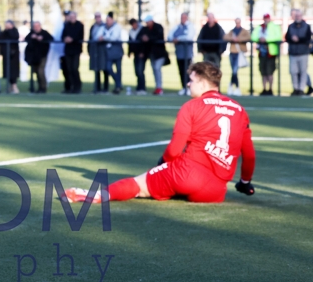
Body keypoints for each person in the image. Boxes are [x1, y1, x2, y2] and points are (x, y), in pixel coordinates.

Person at [65, 62, 255, 204]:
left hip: (187, 174)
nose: (188, 84)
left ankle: (95, 196)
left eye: (191, 81)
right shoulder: (240, 110)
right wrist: (245, 182)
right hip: (216, 190)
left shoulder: (192, 106)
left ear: (203, 84)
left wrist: (163, 163)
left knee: (138, 185)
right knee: (178, 184)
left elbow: (174, 150)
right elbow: (249, 156)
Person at [140, 15, 167, 95]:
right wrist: (143, 38)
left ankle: (159, 87)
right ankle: (157, 87)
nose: (147, 23)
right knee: (154, 70)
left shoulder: (158, 27)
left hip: (159, 53)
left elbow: (159, 37)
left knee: (157, 68)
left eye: (148, 22)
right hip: (151, 54)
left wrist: (149, 38)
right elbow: (141, 36)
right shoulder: (145, 29)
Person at [286, 9, 311, 97]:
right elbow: (287, 37)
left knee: (303, 71)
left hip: (303, 52)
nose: (297, 17)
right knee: (293, 71)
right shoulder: (291, 26)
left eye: (299, 16)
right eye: (296, 16)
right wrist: (292, 39)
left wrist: (298, 39)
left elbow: (308, 38)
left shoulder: (306, 26)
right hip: (293, 52)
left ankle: (301, 89)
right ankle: (295, 88)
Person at [256, 14, 282, 95]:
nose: (266, 20)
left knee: (269, 72)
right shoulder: (260, 27)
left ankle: (270, 89)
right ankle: (264, 89)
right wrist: (259, 39)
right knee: (263, 72)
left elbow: (278, 37)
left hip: (271, 53)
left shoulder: (275, 27)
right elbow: (253, 36)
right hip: (262, 53)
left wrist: (266, 39)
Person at [170, 12, 195, 95]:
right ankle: (184, 87)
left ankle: (189, 88)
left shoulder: (190, 26)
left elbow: (189, 37)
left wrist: (179, 39)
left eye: (184, 17)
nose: (182, 19)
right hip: (179, 53)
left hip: (187, 54)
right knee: (181, 71)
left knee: (188, 71)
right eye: (181, 17)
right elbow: (169, 36)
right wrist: (174, 39)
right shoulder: (177, 26)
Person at [24, 21, 53, 93]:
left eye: (37, 26)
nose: (36, 28)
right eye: (34, 26)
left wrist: (42, 38)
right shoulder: (31, 33)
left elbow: (51, 39)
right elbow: (26, 39)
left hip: (42, 55)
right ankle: (40, 87)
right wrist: (32, 37)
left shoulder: (44, 33)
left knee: (41, 71)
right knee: (36, 71)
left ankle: (43, 87)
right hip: (34, 57)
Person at [224, 18, 250, 96]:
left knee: (235, 71)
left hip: (239, 52)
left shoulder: (244, 31)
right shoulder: (232, 31)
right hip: (232, 52)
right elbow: (225, 37)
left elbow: (248, 37)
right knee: (233, 71)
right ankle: (234, 87)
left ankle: (234, 86)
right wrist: (232, 38)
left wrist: (239, 39)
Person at [62, 11, 84, 93]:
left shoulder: (80, 25)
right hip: (68, 50)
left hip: (76, 50)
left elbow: (80, 37)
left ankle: (77, 86)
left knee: (74, 68)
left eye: (73, 17)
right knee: (69, 69)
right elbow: (63, 36)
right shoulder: (66, 25)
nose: (71, 18)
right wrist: (65, 39)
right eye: (70, 17)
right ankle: (70, 87)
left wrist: (72, 39)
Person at [102, 12, 123, 94]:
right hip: (108, 52)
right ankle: (118, 83)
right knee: (108, 68)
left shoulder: (117, 27)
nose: (107, 21)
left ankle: (118, 86)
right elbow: (97, 36)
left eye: (109, 20)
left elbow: (114, 37)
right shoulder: (104, 27)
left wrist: (104, 38)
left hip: (117, 50)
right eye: (106, 20)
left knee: (118, 69)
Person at [89, 12, 109, 93]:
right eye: (96, 16)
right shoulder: (93, 27)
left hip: (103, 50)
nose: (97, 18)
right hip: (94, 49)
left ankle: (105, 88)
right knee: (96, 68)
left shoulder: (104, 26)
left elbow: (108, 36)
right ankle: (97, 87)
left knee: (104, 68)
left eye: (99, 16)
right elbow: (90, 38)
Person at [0, 19, 20, 93]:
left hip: (13, 55)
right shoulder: (4, 32)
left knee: (13, 72)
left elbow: (15, 37)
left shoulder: (14, 31)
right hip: (6, 55)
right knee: (7, 71)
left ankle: (14, 87)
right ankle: (10, 87)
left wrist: (9, 30)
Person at [127, 18, 146, 95]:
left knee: (140, 71)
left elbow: (144, 43)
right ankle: (138, 87)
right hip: (135, 54)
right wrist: (129, 52)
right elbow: (130, 43)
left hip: (141, 54)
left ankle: (142, 88)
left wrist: (143, 52)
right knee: (136, 71)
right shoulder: (131, 32)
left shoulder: (142, 30)